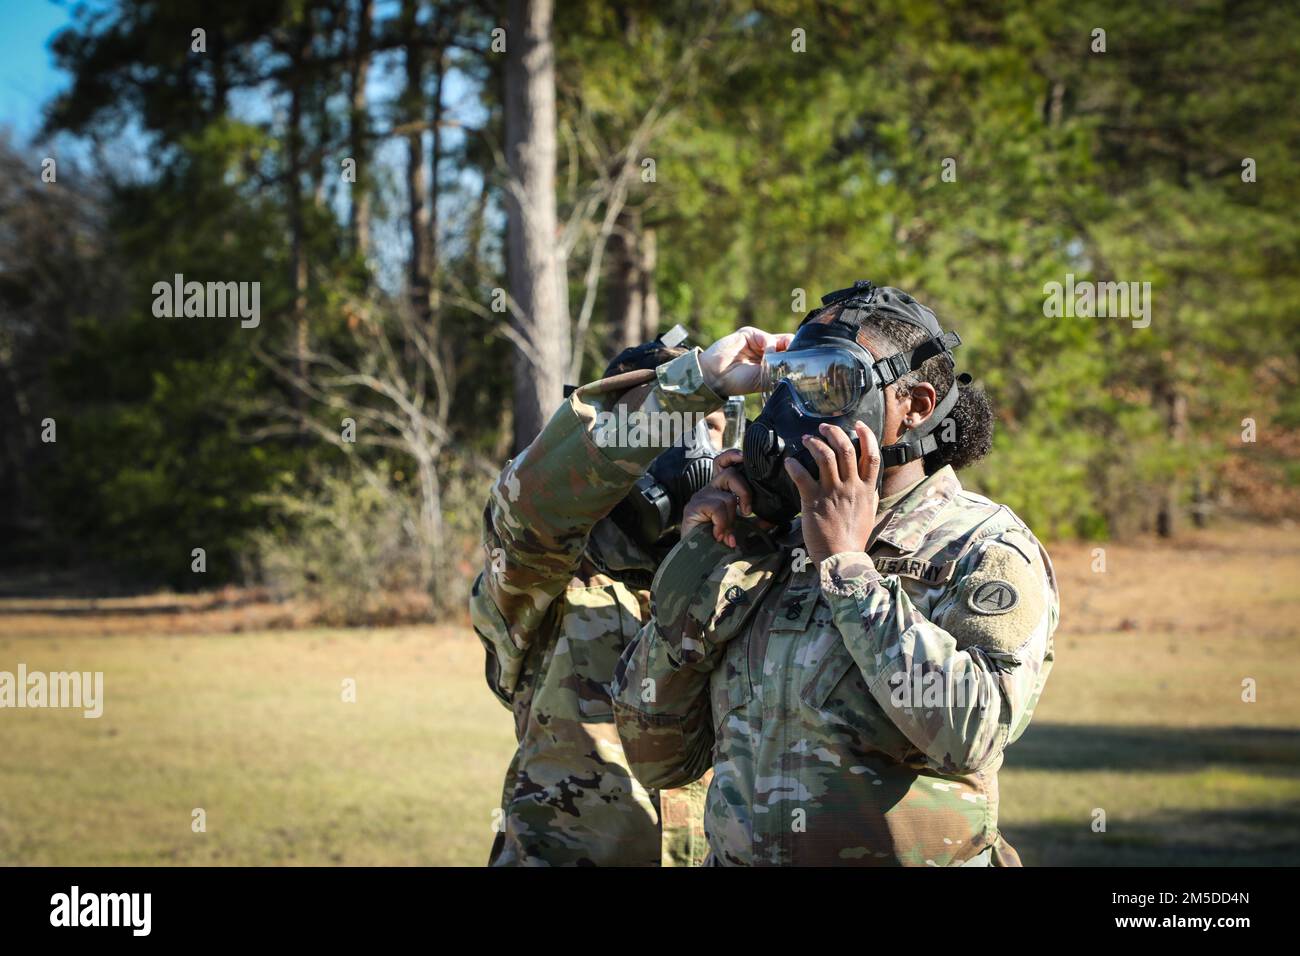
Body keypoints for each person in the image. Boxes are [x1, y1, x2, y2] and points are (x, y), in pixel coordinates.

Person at [612, 282, 1058, 866]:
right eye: (790, 380)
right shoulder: (764, 542)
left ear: (915, 406)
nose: (793, 409)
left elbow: (968, 734)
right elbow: (657, 757)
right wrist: (703, 559)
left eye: (830, 384)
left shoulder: (984, 546)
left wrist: (848, 566)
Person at [470, 325, 790, 866]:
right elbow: (533, 502)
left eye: (708, 427)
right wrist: (697, 382)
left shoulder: (752, 570)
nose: (693, 452)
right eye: (666, 428)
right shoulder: (546, 575)